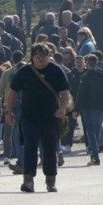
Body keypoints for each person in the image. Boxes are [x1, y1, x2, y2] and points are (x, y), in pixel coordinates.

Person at [6, 43, 72, 193]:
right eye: (38, 55)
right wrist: (8, 112)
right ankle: (28, 181)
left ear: (49, 56)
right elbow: (12, 92)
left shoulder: (56, 71)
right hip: (29, 117)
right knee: (30, 147)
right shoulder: (24, 72)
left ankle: (50, 181)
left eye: (44, 55)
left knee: (49, 149)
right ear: (32, 57)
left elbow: (65, 93)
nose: (41, 58)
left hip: (51, 116)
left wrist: (62, 109)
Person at [76, 53, 103, 166]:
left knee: (90, 131)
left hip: (87, 106)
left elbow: (81, 94)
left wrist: (76, 108)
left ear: (87, 63)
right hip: (100, 106)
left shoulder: (85, 76)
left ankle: (95, 156)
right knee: (97, 129)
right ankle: (96, 153)